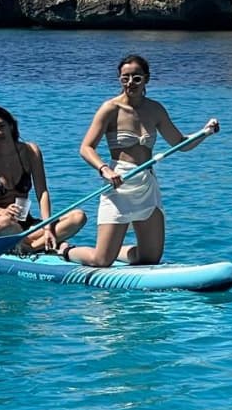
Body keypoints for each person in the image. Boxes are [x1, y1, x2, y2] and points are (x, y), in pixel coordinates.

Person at [56, 55, 219, 268]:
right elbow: (86, 148)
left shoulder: (155, 110)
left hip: (146, 184)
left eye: (136, 78)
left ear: (146, 79)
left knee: (150, 259)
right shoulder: (110, 109)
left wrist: (205, 133)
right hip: (118, 184)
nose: (130, 83)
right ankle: (66, 250)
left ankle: (116, 251)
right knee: (101, 261)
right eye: (125, 78)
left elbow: (180, 143)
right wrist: (104, 169)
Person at [0, 105, 86, 254]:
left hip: (25, 223)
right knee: (5, 222)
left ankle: (30, 246)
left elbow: (42, 192)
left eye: (1, 126)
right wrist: (1, 212)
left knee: (78, 217)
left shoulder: (30, 151)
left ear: (11, 125)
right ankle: (36, 243)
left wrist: (47, 226)